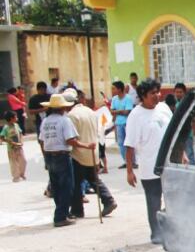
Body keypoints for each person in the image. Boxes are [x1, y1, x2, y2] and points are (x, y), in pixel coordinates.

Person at [125, 80, 173, 243]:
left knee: (172, 200)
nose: (157, 95)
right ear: (143, 96)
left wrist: (182, 155)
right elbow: (129, 145)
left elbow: (173, 134)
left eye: (158, 91)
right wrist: (129, 171)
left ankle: (172, 232)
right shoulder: (135, 115)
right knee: (154, 202)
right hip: (149, 167)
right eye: (152, 93)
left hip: (169, 166)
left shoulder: (164, 108)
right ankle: (156, 234)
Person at [39, 93, 95, 227]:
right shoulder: (64, 120)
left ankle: (63, 212)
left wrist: (45, 157)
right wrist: (87, 146)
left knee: (56, 187)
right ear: (63, 108)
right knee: (67, 187)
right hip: (62, 155)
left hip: (49, 155)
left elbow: (41, 141)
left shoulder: (45, 121)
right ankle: (60, 216)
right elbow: (70, 140)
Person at [65, 89, 116, 219]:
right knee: (93, 179)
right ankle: (108, 200)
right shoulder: (90, 112)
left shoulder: (71, 116)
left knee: (76, 183)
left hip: (79, 153)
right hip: (93, 151)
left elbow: (72, 137)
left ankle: (77, 210)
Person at [110, 81, 134, 169]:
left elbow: (127, 112)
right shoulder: (114, 99)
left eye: (114, 88)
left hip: (127, 123)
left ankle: (133, 161)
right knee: (121, 143)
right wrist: (120, 111)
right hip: (118, 123)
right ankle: (126, 161)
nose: (112, 90)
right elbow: (112, 111)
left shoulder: (128, 98)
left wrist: (116, 112)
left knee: (129, 143)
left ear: (119, 89)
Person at [0, 110, 26, 182]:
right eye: (15, 117)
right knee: (13, 163)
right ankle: (16, 177)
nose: (17, 118)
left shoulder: (16, 125)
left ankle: (22, 174)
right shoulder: (6, 128)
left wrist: (21, 141)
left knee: (23, 161)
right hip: (11, 149)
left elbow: (20, 133)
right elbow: (2, 137)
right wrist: (10, 142)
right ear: (11, 118)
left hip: (19, 147)